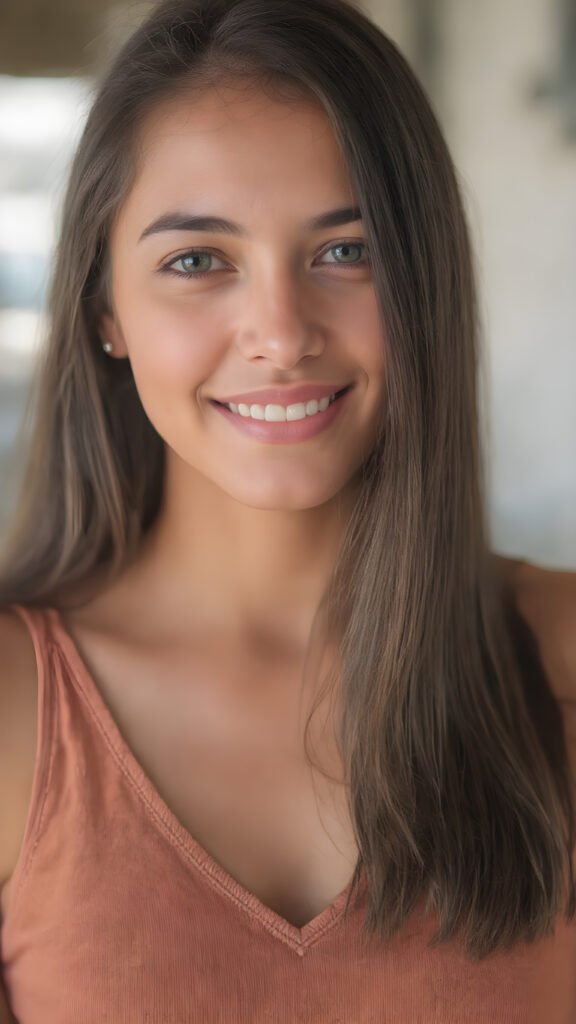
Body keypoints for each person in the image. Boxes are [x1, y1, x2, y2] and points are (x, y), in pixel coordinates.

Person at [0, 0, 574, 1019]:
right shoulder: (15, 709)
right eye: (196, 261)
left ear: (424, 281)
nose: (279, 332)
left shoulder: (561, 656)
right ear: (104, 310)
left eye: (347, 251)